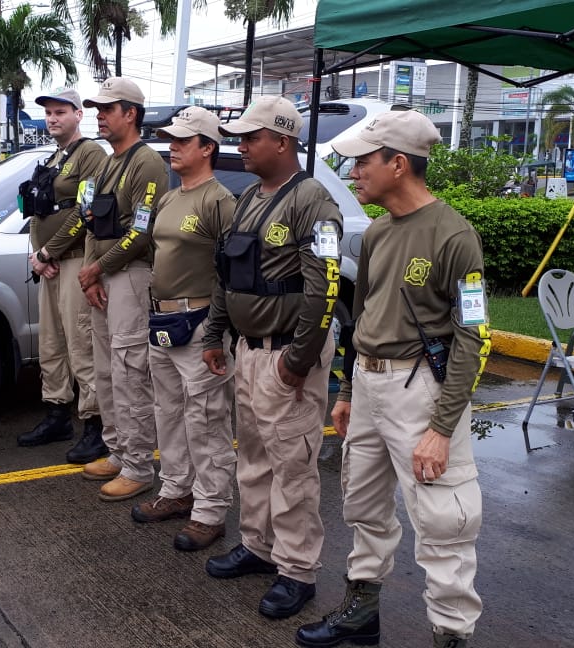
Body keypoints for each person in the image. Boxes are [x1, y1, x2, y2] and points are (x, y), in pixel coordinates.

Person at [296, 110, 487, 648]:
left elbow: (474, 336)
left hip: (421, 391)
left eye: (363, 161)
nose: (354, 172)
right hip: (371, 384)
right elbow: (364, 318)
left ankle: (450, 635)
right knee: (363, 504)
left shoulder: (454, 236)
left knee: (444, 521)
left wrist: (442, 428)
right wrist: (350, 391)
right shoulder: (378, 232)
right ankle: (362, 611)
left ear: (398, 164)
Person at [201, 95, 342, 620]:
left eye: (250, 137)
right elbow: (229, 275)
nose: (241, 146)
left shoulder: (312, 201)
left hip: (287, 356)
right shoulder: (249, 199)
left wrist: (298, 361)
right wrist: (217, 334)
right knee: (255, 458)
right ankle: (258, 547)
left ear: (282, 141)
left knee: (293, 466)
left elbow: (324, 288)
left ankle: (297, 571)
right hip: (250, 352)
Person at [130, 106, 238, 551]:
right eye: (170, 139)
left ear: (207, 148)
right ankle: (176, 491)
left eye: (182, 141)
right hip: (162, 320)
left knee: (207, 419)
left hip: (200, 324)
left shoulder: (220, 202)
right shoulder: (171, 198)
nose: (171, 147)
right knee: (168, 412)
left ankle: (211, 511)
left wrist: (216, 329)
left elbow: (232, 274)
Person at [76, 77, 169, 501]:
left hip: (131, 275)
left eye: (108, 109)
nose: (100, 115)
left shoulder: (145, 162)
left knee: (131, 372)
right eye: (98, 108)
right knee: (106, 370)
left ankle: (137, 464)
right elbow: (92, 219)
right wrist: (92, 272)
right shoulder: (107, 162)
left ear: (130, 113)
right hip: (104, 275)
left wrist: (98, 267)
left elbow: (143, 231)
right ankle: (117, 450)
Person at [20, 87, 109, 462]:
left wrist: (48, 252)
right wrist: (37, 255)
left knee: (81, 344)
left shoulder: (90, 154)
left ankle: (95, 425)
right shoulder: (56, 156)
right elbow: (37, 210)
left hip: (73, 260)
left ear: (78, 115)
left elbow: (84, 211)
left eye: (60, 112)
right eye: (49, 113)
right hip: (50, 265)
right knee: (51, 346)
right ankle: (57, 414)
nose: (53, 118)